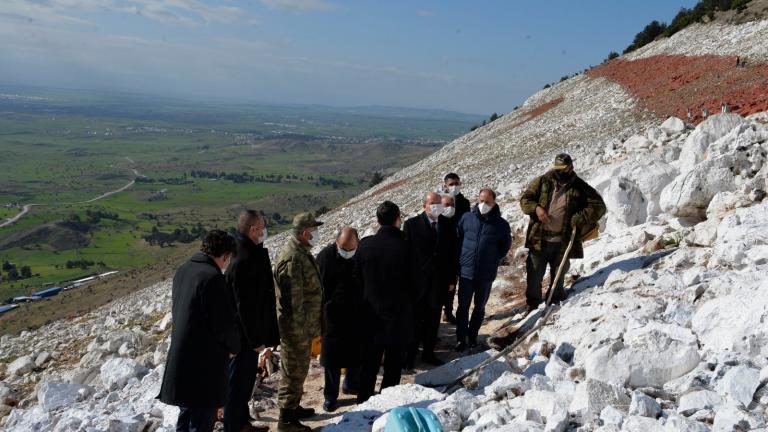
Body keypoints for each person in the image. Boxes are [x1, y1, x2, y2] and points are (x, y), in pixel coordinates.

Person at [159, 230, 240, 432]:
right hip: (204, 366)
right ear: (225, 255)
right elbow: (223, 324)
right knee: (201, 421)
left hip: (182, 360)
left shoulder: (184, 270)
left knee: (185, 418)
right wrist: (234, 347)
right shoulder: (213, 278)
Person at [519, 153, 606, 311]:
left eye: (563, 169)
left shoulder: (579, 186)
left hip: (562, 242)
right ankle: (533, 306)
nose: (559, 172)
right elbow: (525, 199)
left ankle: (554, 305)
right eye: (557, 169)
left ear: (571, 168)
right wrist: (536, 208)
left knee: (558, 278)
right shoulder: (543, 181)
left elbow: (599, 206)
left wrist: (579, 217)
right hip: (539, 240)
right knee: (534, 277)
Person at [356, 201, 422, 403]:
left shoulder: (365, 245)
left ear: (377, 221)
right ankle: (386, 405)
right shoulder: (407, 246)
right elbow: (417, 284)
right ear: (398, 219)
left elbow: (356, 280)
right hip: (399, 316)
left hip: (370, 316)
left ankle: (363, 404)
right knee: (393, 367)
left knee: (368, 365)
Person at [224, 210, 279, 432]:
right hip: (243, 337)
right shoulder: (243, 259)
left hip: (247, 334)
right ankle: (233, 426)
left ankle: (242, 423)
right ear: (253, 229)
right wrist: (256, 339)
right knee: (237, 385)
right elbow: (244, 306)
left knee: (245, 382)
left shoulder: (248, 252)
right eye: (263, 226)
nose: (265, 230)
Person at [274, 213, 324, 432]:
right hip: (296, 329)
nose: (316, 233)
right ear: (305, 233)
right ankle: (286, 420)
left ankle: (293, 408)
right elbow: (292, 303)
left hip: (304, 327)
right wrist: (299, 333)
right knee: (292, 372)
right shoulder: (293, 258)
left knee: (299, 370)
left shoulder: (302, 251)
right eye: (314, 230)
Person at [403, 192, 458, 367]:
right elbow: (406, 255)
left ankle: (428, 353)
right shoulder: (411, 225)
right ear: (424, 205)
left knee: (433, 320)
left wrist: (451, 279)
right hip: (418, 283)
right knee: (415, 321)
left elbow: (452, 254)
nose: (436, 206)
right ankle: (409, 357)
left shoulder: (447, 224)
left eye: (438, 203)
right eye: (432, 203)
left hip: (439, 282)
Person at [455, 188, 511, 352]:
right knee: (463, 307)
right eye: (481, 201)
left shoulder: (501, 225)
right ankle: (460, 338)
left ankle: (472, 336)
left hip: (485, 274)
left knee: (479, 307)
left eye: (487, 202)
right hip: (466, 272)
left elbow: (504, 247)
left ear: (494, 203)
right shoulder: (467, 218)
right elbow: (459, 238)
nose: (483, 204)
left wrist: (492, 260)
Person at [316, 227, 363, 412]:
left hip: (355, 313)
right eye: (344, 248)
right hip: (332, 316)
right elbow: (318, 288)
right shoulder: (325, 257)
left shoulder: (361, 255)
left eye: (351, 249)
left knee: (355, 352)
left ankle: (351, 384)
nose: (347, 252)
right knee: (332, 358)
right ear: (337, 242)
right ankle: (330, 396)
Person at [439, 193, 460, 324]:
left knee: (451, 289)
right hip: (440, 264)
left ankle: (448, 312)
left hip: (453, 262)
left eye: (452, 205)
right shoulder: (438, 222)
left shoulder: (456, 220)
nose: (450, 208)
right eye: (446, 205)